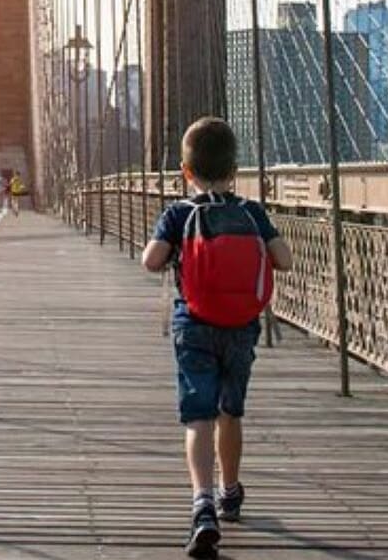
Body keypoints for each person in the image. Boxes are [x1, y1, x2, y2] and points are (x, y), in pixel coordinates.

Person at [138, 117, 291, 557]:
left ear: (187, 172)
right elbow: (284, 259)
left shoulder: (179, 213)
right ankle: (231, 491)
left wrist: (174, 251)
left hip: (194, 324)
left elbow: (151, 261)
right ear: (234, 169)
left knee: (198, 416)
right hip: (241, 328)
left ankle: (202, 502)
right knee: (231, 411)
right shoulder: (251, 212)